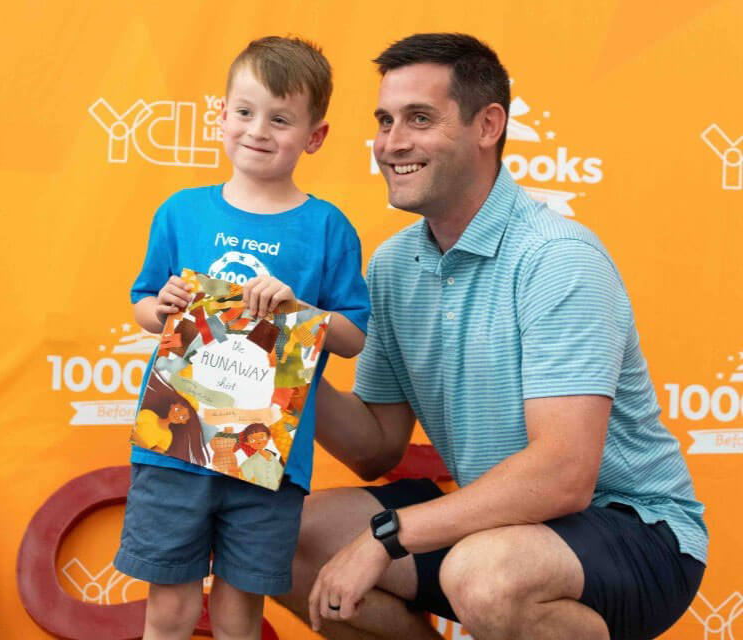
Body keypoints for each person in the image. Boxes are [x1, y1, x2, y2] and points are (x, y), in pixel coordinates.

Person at [276, 33, 707, 640]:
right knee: (282, 539)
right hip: (495, 527)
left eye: (419, 119)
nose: (390, 143)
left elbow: (564, 474)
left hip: (635, 531)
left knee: (485, 575)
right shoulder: (394, 265)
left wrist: (387, 539)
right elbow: (376, 449)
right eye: (384, 120)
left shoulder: (557, 257)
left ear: (488, 126)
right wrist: (282, 350)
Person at [114, 36, 370, 640]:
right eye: (246, 112)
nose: (258, 130)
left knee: (237, 618)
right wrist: (162, 307)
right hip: (175, 440)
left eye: (280, 119)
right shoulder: (181, 211)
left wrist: (300, 310)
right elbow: (144, 306)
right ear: (221, 115)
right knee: (170, 612)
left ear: (314, 136)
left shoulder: (329, 227)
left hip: (266, 456)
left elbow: (353, 336)